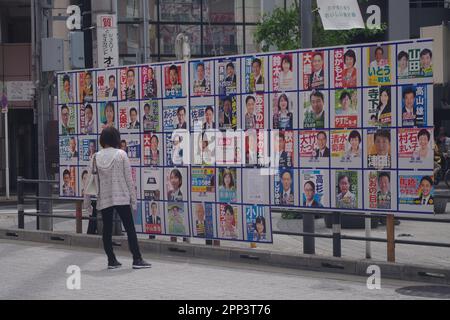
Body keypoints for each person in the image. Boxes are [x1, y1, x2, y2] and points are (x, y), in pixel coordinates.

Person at [85, 126, 151, 269]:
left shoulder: (95, 157)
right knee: (130, 228)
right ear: (116, 139)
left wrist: (87, 204)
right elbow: (129, 180)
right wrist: (133, 200)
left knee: (106, 230)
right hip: (121, 197)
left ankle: (111, 260)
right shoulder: (121, 155)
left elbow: (89, 182)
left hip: (105, 198)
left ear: (102, 140)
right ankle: (137, 259)